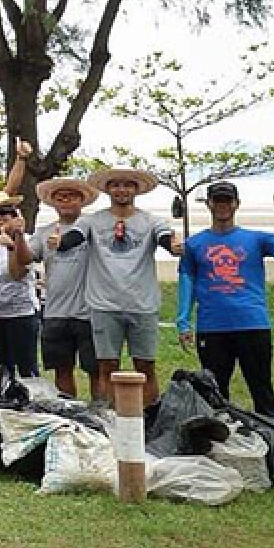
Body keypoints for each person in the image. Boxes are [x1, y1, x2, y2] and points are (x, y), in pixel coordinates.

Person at [176, 184, 274, 419]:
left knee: (262, 391)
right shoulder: (194, 245)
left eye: (227, 200)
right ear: (209, 204)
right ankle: (220, 446)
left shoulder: (256, 239)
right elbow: (187, 282)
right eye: (217, 201)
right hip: (212, 327)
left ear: (237, 203)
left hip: (253, 324)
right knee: (215, 394)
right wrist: (183, 322)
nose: (222, 205)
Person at [84, 167, 179, 405]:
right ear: (107, 189)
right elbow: (72, 237)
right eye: (115, 185)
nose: (121, 190)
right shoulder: (92, 221)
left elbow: (165, 237)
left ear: (136, 189)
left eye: (127, 185)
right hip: (104, 304)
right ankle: (108, 417)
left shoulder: (151, 221)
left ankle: (149, 416)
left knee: (145, 365)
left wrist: (173, 246)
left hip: (142, 303)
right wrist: (60, 242)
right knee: (107, 365)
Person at [36, 176, 100, 400]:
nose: (66, 201)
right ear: (53, 202)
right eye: (60, 197)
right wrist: (15, 237)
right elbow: (24, 259)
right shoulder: (43, 232)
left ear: (82, 201)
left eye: (72, 196)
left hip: (90, 311)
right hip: (55, 311)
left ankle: (101, 414)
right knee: (62, 369)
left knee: (96, 370)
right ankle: (70, 413)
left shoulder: (95, 228)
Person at [0, 195, 40, 378]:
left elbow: (18, 273)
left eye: (6, 212)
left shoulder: (27, 240)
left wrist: (12, 246)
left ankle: (29, 404)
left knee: (26, 367)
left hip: (22, 313)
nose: (0, 217)